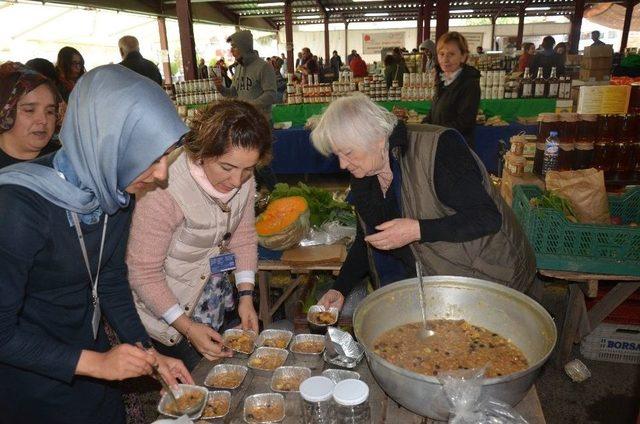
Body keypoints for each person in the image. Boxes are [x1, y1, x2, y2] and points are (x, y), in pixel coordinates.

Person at [0, 64, 193, 423]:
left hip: (93, 372)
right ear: (108, 142)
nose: (162, 175)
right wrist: (96, 362)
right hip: (33, 378)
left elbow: (110, 281)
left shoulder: (112, 190)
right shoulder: (18, 207)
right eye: (152, 158)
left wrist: (145, 351)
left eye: (165, 157)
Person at [311, 94, 536, 312]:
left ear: (378, 138)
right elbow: (367, 240)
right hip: (434, 281)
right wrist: (340, 288)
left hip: (489, 274)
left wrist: (417, 230)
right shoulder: (364, 172)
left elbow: (487, 217)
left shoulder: (438, 149)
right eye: (337, 155)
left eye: (348, 152)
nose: (342, 164)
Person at [127, 100, 271, 370]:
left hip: (211, 297)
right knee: (200, 380)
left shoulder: (243, 178)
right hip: (167, 310)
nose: (237, 181)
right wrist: (188, 328)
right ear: (203, 152)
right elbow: (143, 273)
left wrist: (245, 296)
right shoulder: (164, 186)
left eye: (248, 170)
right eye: (227, 168)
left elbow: (244, 237)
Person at [421, 31, 480, 148]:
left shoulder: (469, 83)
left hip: (456, 146)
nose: (445, 59)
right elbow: (433, 113)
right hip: (439, 143)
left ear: (463, 56)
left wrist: (436, 132)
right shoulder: (442, 80)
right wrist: (423, 127)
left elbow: (464, 122)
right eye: (441, 54)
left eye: (451, 54)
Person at [0, 62, 61, 169]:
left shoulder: (65, 162)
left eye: (50, 112)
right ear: (4, 112)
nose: (43, 120)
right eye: (30, 110)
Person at [213, 30, 276, 121]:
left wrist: (249, 106)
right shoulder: (239, 68)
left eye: (234, 47)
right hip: (243, 121)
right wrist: (220, 87)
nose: (231, 51)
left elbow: (271, 95)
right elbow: (233, 93)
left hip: (261, 122)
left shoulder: (264, 67)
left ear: (244, 47)